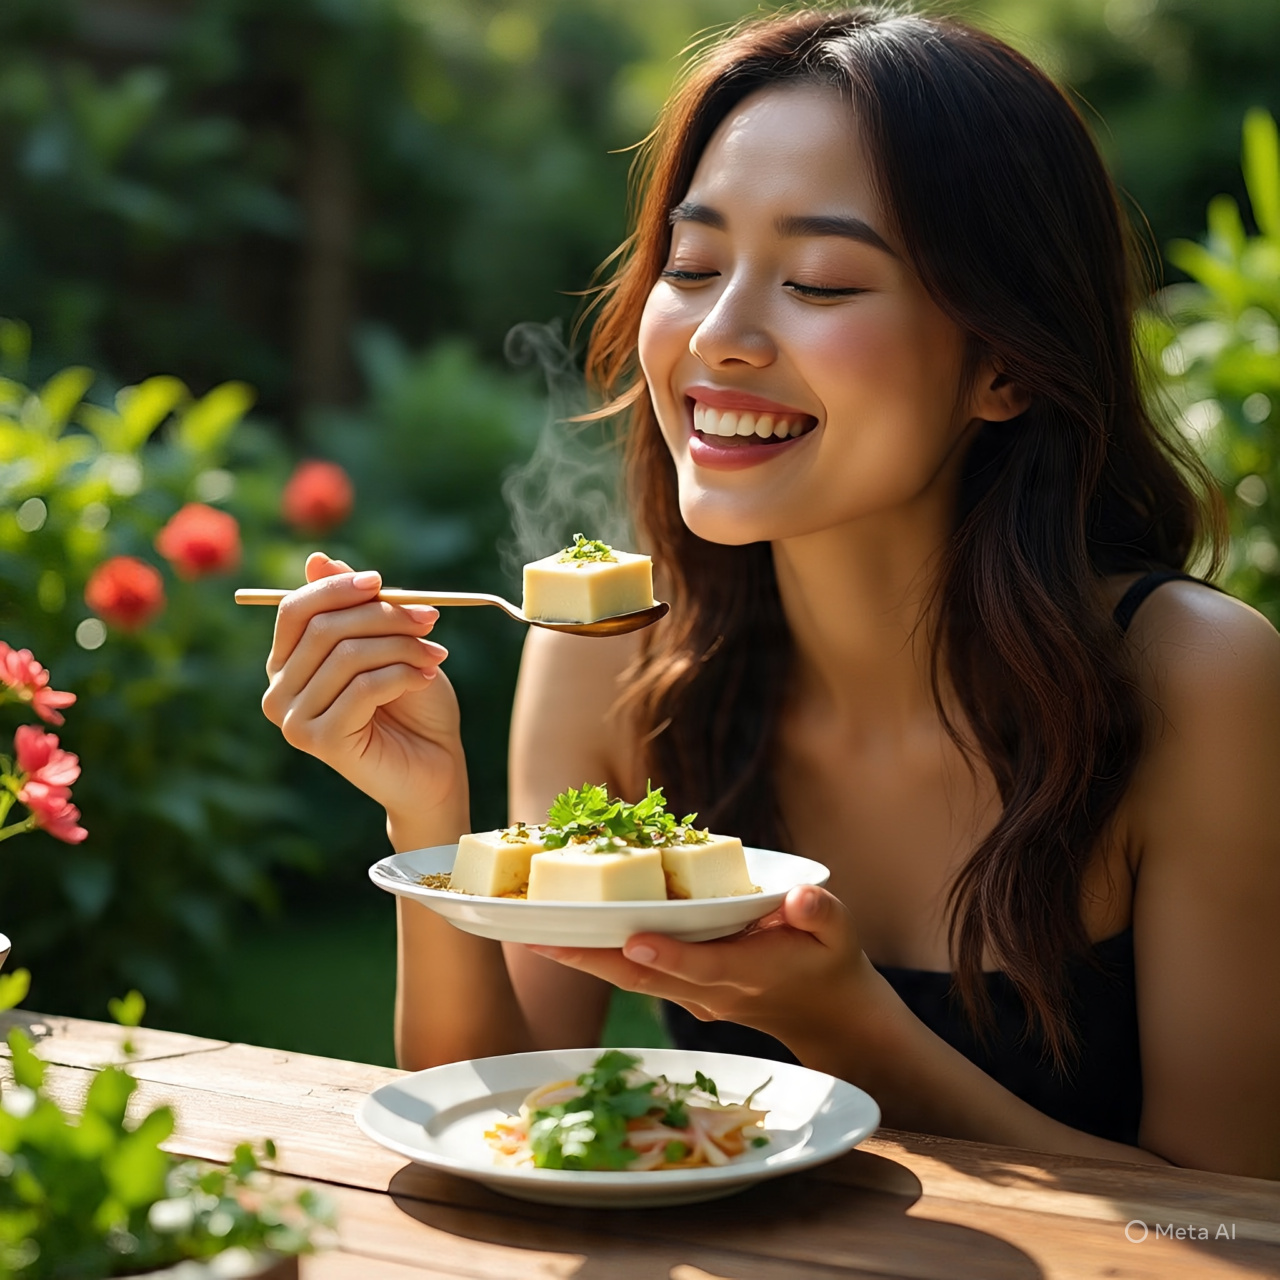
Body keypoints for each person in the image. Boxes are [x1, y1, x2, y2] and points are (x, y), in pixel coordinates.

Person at [259, 7, 1280, 1178]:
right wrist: (428, 822)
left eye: (821, 280)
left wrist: (845, 1027)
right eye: (690, 266)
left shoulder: (1192, 680)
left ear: (1002, 365)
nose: (719, 334)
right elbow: (489, 1111)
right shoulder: (614, 656)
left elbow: (1229, 1214)